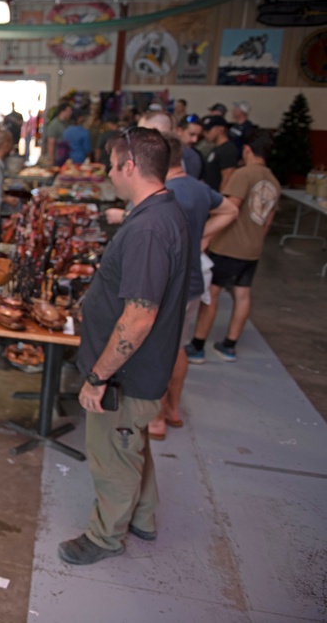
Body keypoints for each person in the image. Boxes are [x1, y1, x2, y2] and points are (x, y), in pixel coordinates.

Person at [58, 127, 190, 566]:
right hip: (144, 371)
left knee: (112, 456)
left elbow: (138, 316)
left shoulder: (150, 229)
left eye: (112, 166)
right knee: (132, 444)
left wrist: (98, 376)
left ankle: (105, 537)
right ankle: (144, 517)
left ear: (129, 167)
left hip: (125, 376)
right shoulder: (160, 212)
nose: (109, 174)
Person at [145, 134, 238, 441]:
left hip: (170, 282)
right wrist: (198, 237)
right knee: (178, 346)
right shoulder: (198, 188)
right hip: (194, 280)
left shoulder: (164, 193)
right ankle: (172, 410)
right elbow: (230, 211)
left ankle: (156, 418)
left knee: (158, 350)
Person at [186, 130, 280, 365]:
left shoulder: (243, 174)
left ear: (247, 150)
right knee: (243, 293)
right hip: (253, 248)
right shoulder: (274, 181)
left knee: (212, 294)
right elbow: (267, 221)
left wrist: (206, 235)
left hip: (229, 246)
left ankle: (197, 345)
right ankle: (230, 345)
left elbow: (230, 208)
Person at [199, 115, 239, 192]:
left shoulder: (228, 149)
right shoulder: (216, 148)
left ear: (220, 129)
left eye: (208, 131)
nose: (205, 134)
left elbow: (227, 178)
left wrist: (221, 200)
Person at [177, 114, 205, 180]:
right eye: (191, 134)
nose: (195, 140)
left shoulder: (197, 156)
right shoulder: (165, 152)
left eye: (198, 136)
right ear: (179, 131)